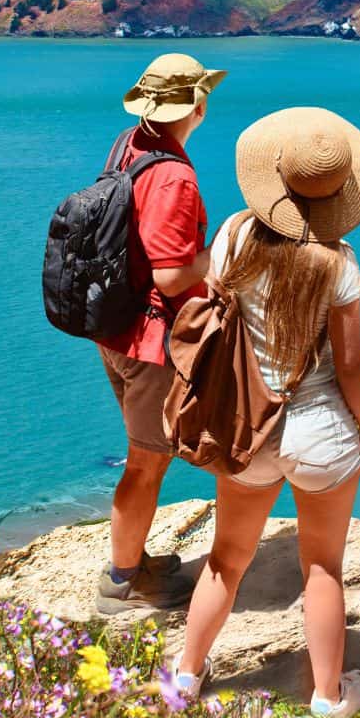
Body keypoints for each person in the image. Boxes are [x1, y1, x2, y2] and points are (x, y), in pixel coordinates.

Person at [173, 107, 360, 718]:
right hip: (322, 435)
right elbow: (350, 367)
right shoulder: (339, 265)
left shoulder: (236, 236)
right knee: (322, 565)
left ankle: (186, 677)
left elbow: (217, 311)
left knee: (226, 558)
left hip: (249, 428)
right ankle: (327, 697)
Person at [95, 53, 226, 616]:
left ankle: (135, 559)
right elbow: (172, 275)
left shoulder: (129, 143)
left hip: (116, 327)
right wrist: (217, 254)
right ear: (197, 106)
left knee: (146, 457)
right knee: (146, 461)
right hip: (152, 343)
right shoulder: (173, 175)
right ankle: (121, 582)